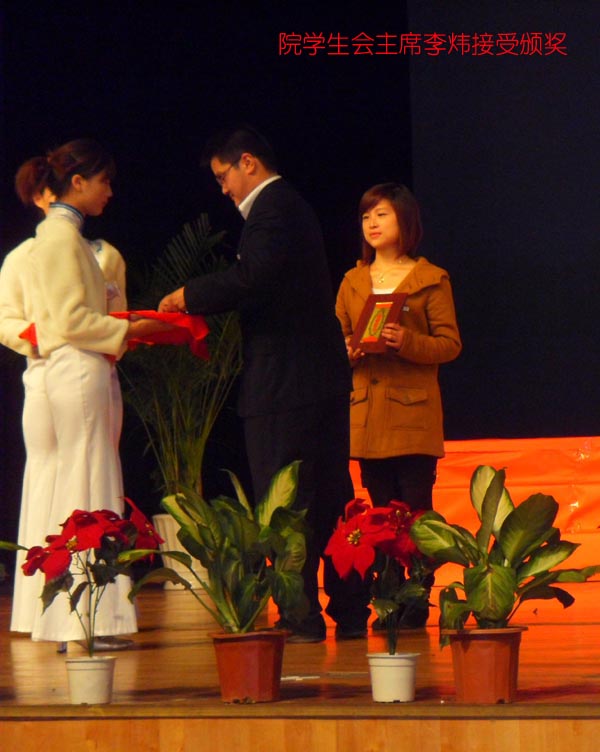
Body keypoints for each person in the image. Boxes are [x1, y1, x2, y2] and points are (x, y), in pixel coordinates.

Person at [159, 126, 370, 642]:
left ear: (248, 162)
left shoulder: (273, 208)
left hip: (286, 384)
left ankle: (301, 617)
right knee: (329, 496)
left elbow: (252, 278)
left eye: (223, 176)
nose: (223, 189)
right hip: (313, 379)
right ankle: (347, 611)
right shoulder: (290, 206)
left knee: (288, 503)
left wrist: (189, 295)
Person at [17, 139, 169, 649]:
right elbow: (69, 321)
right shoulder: (59, 237)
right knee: (85, 488)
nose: (109, 191)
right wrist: (130, 330)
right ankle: (81, 621)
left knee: (89, 482)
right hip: (77, 369)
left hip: (84, 367)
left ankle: (87, 619)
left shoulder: (68, 236)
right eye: (103, 181)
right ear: (77, 182)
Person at [0, 157, 131, 644]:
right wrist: (44, 338)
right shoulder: (28, 254)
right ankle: (52, 610)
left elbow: (113, 309)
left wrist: (121, 331)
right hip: (52, 369)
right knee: (54, 477)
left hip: (90, 361)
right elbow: (12, 321)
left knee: (85, 470)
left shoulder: (102, 252)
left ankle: (70, 611)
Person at [335, 183, 461, 626]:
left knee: (416, 513)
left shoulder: (431, 279)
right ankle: (387, 599)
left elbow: (449, 344)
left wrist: (407, 341)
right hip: (368, 413)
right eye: (366, 216)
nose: (371, 223)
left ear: (405, 221)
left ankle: (417, 598)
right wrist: (347, 350)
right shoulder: (352, 281)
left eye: (382, 214)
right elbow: (336, 339)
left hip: (412, 414)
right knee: (377, 515)